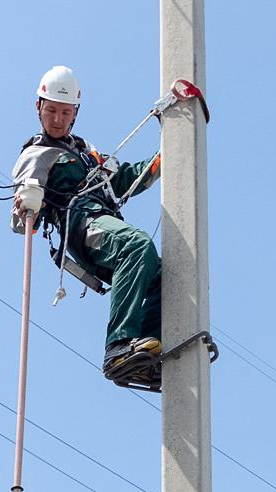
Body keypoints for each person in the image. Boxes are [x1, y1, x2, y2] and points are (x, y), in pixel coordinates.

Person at [12, 65, 163, 387]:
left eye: (65, 112)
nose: (57, 119)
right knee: (136, 245)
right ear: (38, 107)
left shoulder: (86, 154)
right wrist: (27, 207)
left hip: (103, 221)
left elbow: (122, 182)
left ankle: (145, 355)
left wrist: (165, 157)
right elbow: (21, 215)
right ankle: (119, 347)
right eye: (51, 110)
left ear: (75, 113)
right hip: (80, 222)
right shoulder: (36, 154)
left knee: (165, 277)